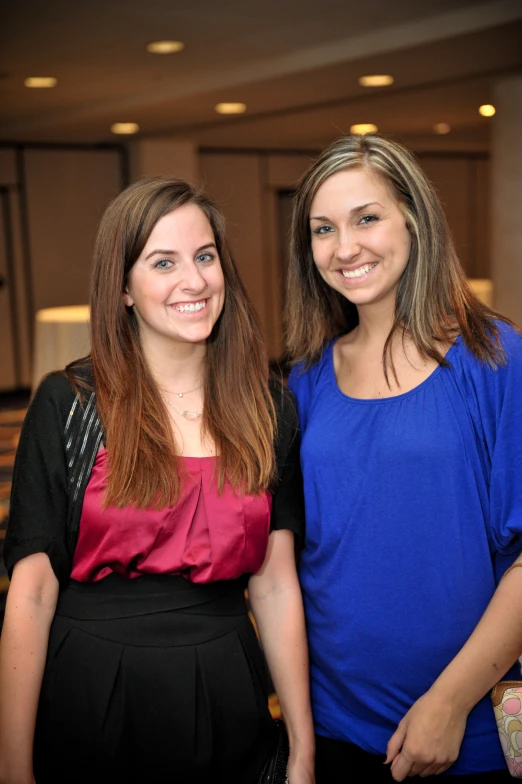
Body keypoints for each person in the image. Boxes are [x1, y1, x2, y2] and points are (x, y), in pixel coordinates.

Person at [0, 177, 315, 784]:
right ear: (122, 287)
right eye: (162, 262)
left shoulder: (268, 408)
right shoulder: (68, 404)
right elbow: (32, 593)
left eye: (204, 257)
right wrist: (14, 768)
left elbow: (275, 585)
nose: (193, 281)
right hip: (91, 689)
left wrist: (301, 747)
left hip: (229, 692)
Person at [285, 133, 522, 782]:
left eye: (367, 218)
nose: (344, 246)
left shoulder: (494, 359)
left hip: (465, 732)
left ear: (414, 220)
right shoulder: (305, 381)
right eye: (323, 229)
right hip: (333, 724)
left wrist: (448, 703)